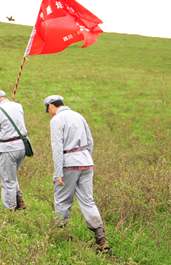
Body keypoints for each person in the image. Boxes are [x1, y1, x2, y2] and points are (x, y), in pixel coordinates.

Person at [45, 95, 109, 251]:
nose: (49, 113)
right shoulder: (79, 116)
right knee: (88, 200)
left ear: (51, 106)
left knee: (62, 199)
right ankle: (101, 237)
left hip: (69, 163)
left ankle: (60, 232)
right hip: (86, 162)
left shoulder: (56, 120)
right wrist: (85, 158)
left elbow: (57, 147)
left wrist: (58, 172)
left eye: (48, 110)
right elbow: (90, 142)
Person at [0, 90, 27, 210]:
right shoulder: (18, 106)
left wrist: (0, 135)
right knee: (11, 175)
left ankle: (10, 208)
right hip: (22, 146)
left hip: (8, 148)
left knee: (7, 180)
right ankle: (19, 200)